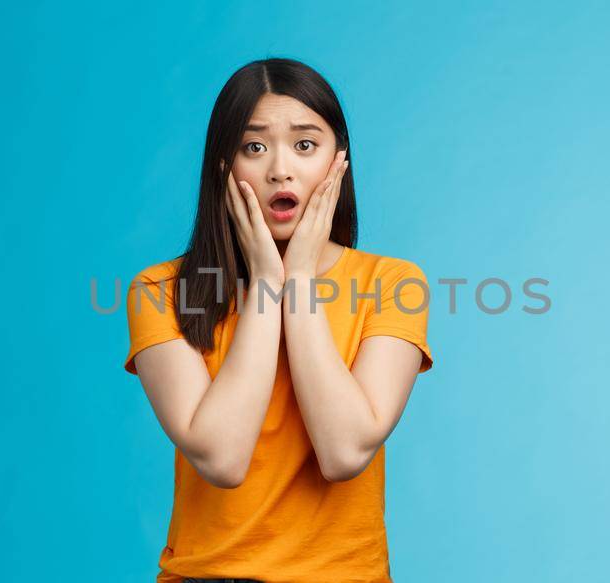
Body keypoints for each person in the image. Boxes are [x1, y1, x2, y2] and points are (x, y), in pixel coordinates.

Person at [123, 58, 434, 583]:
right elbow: (222, 460)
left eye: (305, 145)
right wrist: (267, 283)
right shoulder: (160, 290)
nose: (280, 171)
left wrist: (302, 283)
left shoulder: (393, 283)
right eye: (254, 146)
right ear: (223, 164)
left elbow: (344, 452)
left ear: (340, 161)